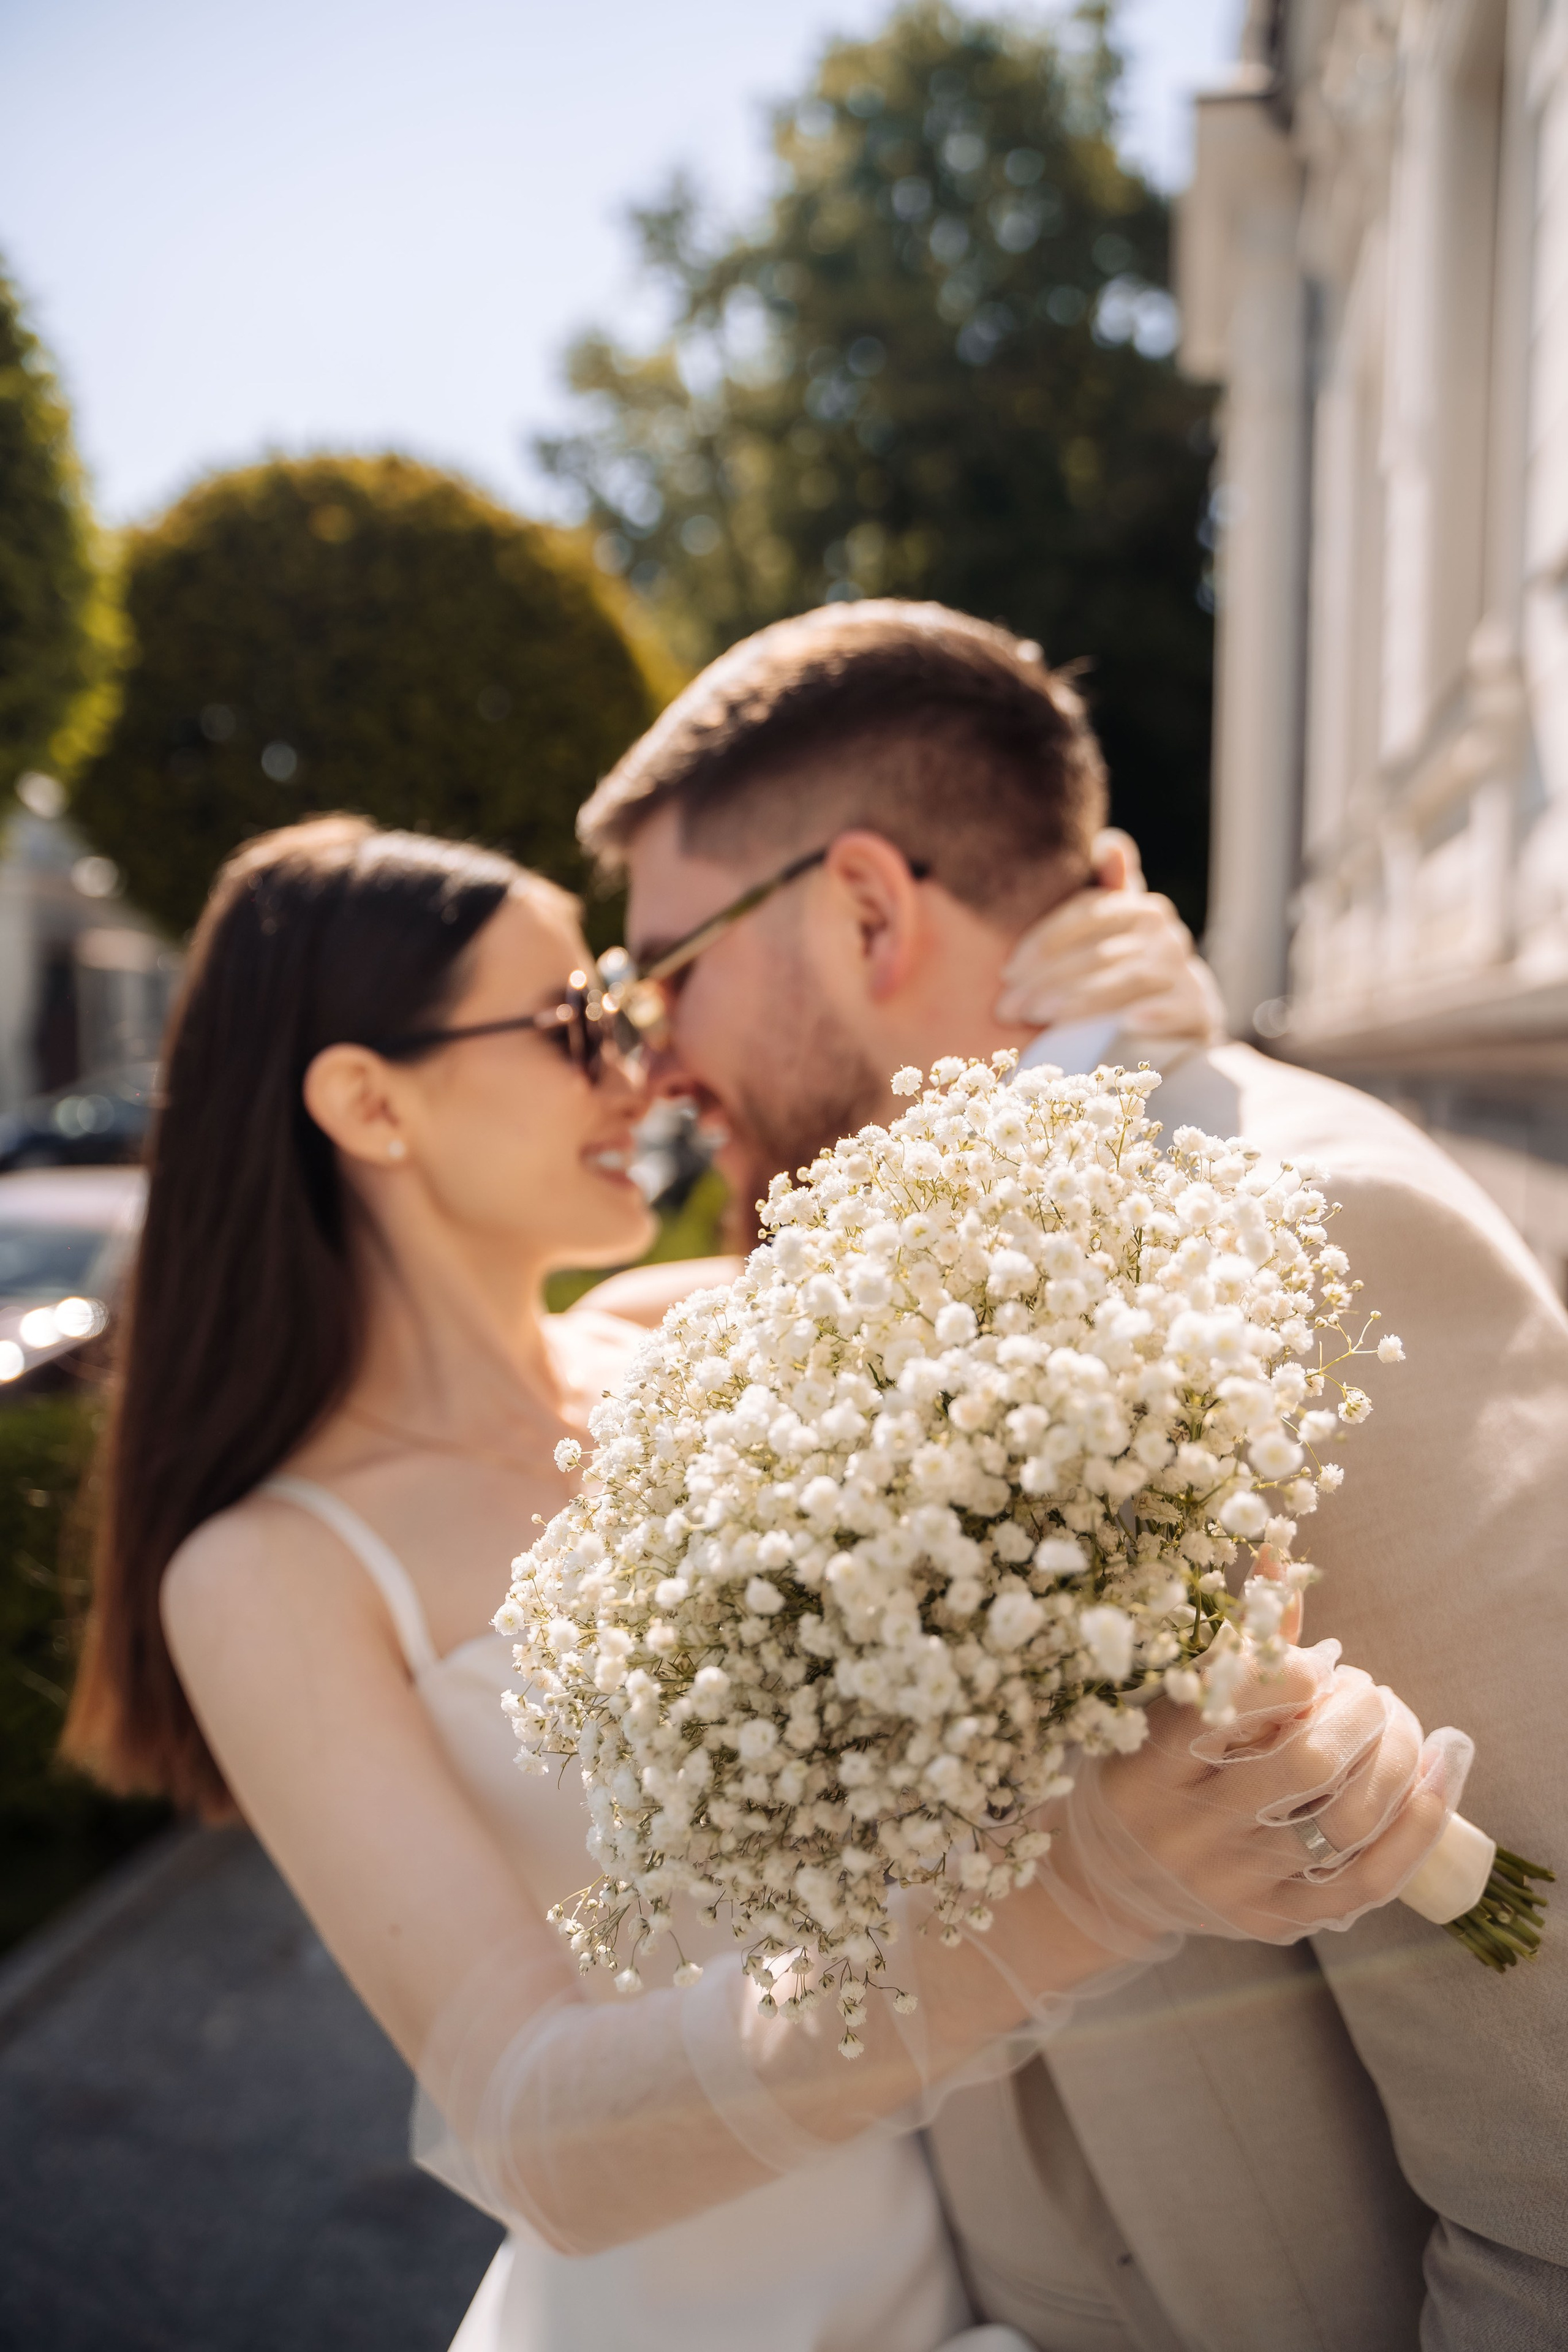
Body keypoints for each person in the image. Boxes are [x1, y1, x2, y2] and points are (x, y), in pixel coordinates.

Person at [62, 815, 1457, 2352]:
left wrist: (1123, 1035)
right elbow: (534, 2132)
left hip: (1017, 2261)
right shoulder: (268, 1568)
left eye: (633, 1012)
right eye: (576, 1024)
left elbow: (1032, 1261)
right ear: (367, 1102)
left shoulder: (709, 1326)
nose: (641, 1069)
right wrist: (1082, 1893)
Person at [581, 597, 1568, 2350]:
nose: (647, 1053)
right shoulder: (847, 1284)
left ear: (871, 906)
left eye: (665, 966)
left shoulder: (1304, 1220)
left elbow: (1550, 2132)